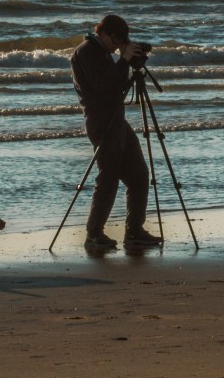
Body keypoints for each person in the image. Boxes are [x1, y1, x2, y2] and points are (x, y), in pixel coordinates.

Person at [70, 14, 163, 252]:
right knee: (109, 176)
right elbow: (102, 85)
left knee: (139, 174)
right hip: (100, 120)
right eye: (114, 41)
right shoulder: (87, 51)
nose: (116, 46)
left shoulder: (103, 52)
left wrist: (131, 64)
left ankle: (134, 231)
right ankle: (94, 234)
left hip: (116, 118)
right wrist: (123, 60)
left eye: (120, 42)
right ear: (102, 33)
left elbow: (117, 85)